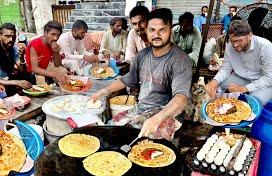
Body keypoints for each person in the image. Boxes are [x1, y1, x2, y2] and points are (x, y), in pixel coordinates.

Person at [91, 8, 192, 140]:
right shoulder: (142, 56)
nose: (156, 34)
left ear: (170, 31)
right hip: (141, 109)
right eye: (152, 30)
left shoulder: (180, 59)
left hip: (167, 113)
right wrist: (102, 92)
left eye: (162, 30)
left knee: (144, 145)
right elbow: (127, 80)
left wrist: (157, 119)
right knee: (111, 130)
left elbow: (181, 98)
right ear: (146, 30)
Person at [205, 20, 272, 105]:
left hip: (263, 82)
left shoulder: (265, 46)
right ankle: (219, 108)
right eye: (233, 41)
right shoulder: (230, 46)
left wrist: (244, 89)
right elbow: (225, 69)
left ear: (250, 36)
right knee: (217, 85)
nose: (235, 45)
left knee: (254, 102)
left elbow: (269, 78)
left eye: (239, 41)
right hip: (242, 78)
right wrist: (214, 81)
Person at [0, 23, 33, 96]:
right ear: (0, 36)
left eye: (13, 36)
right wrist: (17, 82)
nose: (11, 39)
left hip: (8, 79)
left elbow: (22, 71)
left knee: (30, 77)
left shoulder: (13, 49)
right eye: (7, 36)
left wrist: (21, 57)